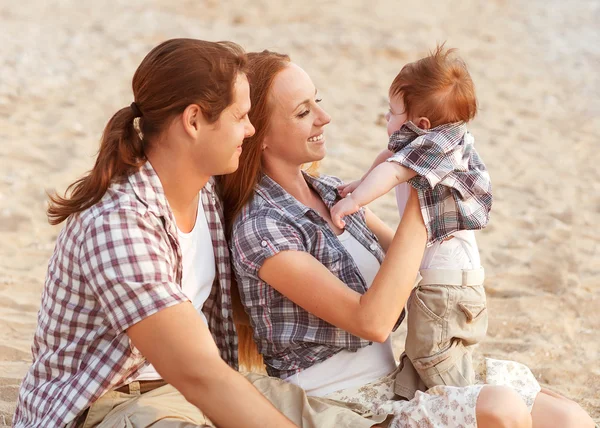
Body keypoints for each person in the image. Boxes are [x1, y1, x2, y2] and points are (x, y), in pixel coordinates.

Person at [219, 50, 595, 427]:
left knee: (568, 418)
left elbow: (411, 259)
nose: (324, 117)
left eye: (318, 101)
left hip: (397, 384)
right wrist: (423, 183)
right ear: (258, 133)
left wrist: (440, 192)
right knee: (500, 410)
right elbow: (374, 321)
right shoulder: (262, 228)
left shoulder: (333, 193)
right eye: (303, 112)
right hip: (340, 408)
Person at [13, 38, 296, 428]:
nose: (249, 130)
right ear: (194, 120)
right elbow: (199, 374)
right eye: (240, 116)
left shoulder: (205, 192)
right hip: (107, 402)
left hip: (189, 391)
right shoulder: (118, 222)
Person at [330, 45, 491, 396]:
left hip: (448, 286)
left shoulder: (434, 148)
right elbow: (386, 156)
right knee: (426, 354)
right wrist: (360, 182)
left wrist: (354, 202)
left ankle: (472, 405)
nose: (386, 120)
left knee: (429, 353)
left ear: (422, 125)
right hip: (453, 283)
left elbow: (390, 171)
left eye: (391, 112)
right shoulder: (423, 144)